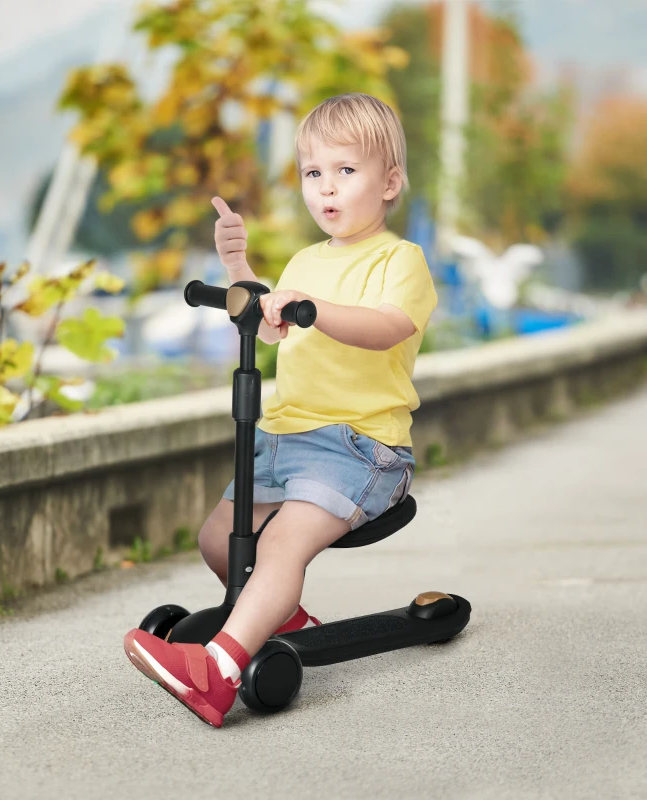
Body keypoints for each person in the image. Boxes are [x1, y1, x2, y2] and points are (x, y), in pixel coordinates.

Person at [124, 92, 438, 727]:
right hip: (284, 440)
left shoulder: (399, 260)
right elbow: (271, 327)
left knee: (278, 548)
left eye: (346, 170)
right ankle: (282, 618)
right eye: (313, 172)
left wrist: (314, 309)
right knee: (219, 540)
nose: (327, 187)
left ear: (389, 183)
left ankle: (217, 673)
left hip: (361, 447)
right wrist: (238, 265)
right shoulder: (303, 262)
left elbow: (386, 327)